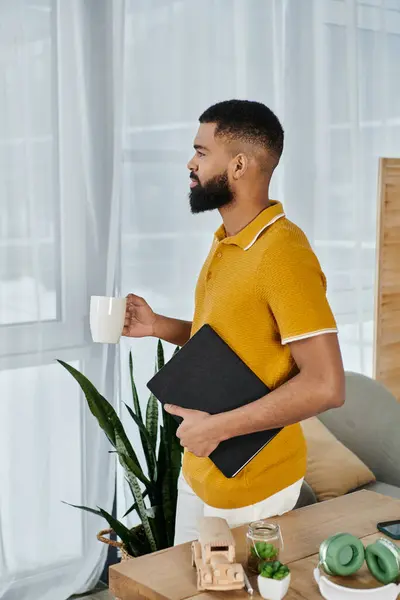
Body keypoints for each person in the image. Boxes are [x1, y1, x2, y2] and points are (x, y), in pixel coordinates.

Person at [123, 99, 345, 545]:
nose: (191, 163)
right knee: (188, 587)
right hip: (202, 464)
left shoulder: (282, 254)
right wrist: (159, 326)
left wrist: (216, 428)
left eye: (202, 152)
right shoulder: (229, 241)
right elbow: (232, 340)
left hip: (254, 480)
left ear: (239, 164)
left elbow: (327, 385)